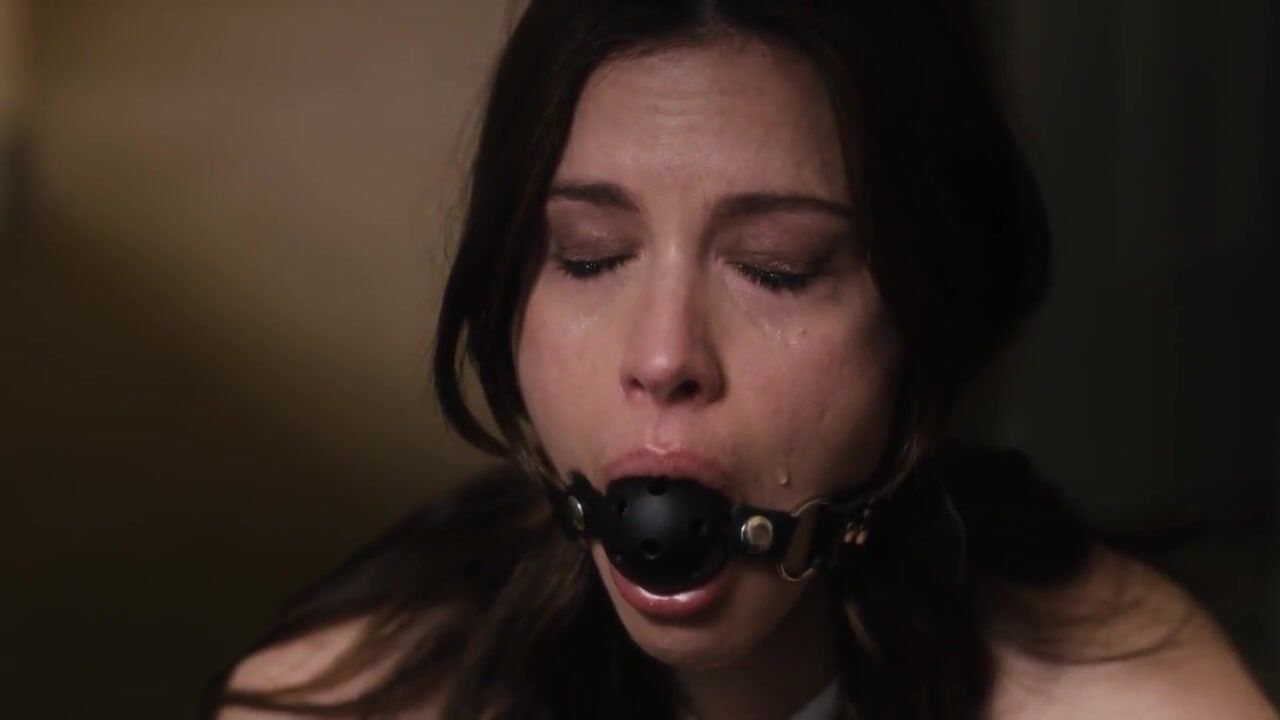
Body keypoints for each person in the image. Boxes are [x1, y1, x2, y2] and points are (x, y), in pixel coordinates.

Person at [204, 1, 1276, 718]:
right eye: (589, 255)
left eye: (778, 268)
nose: (663, 355)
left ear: (925, 313)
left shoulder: (1138, 702)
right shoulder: (336, 699)